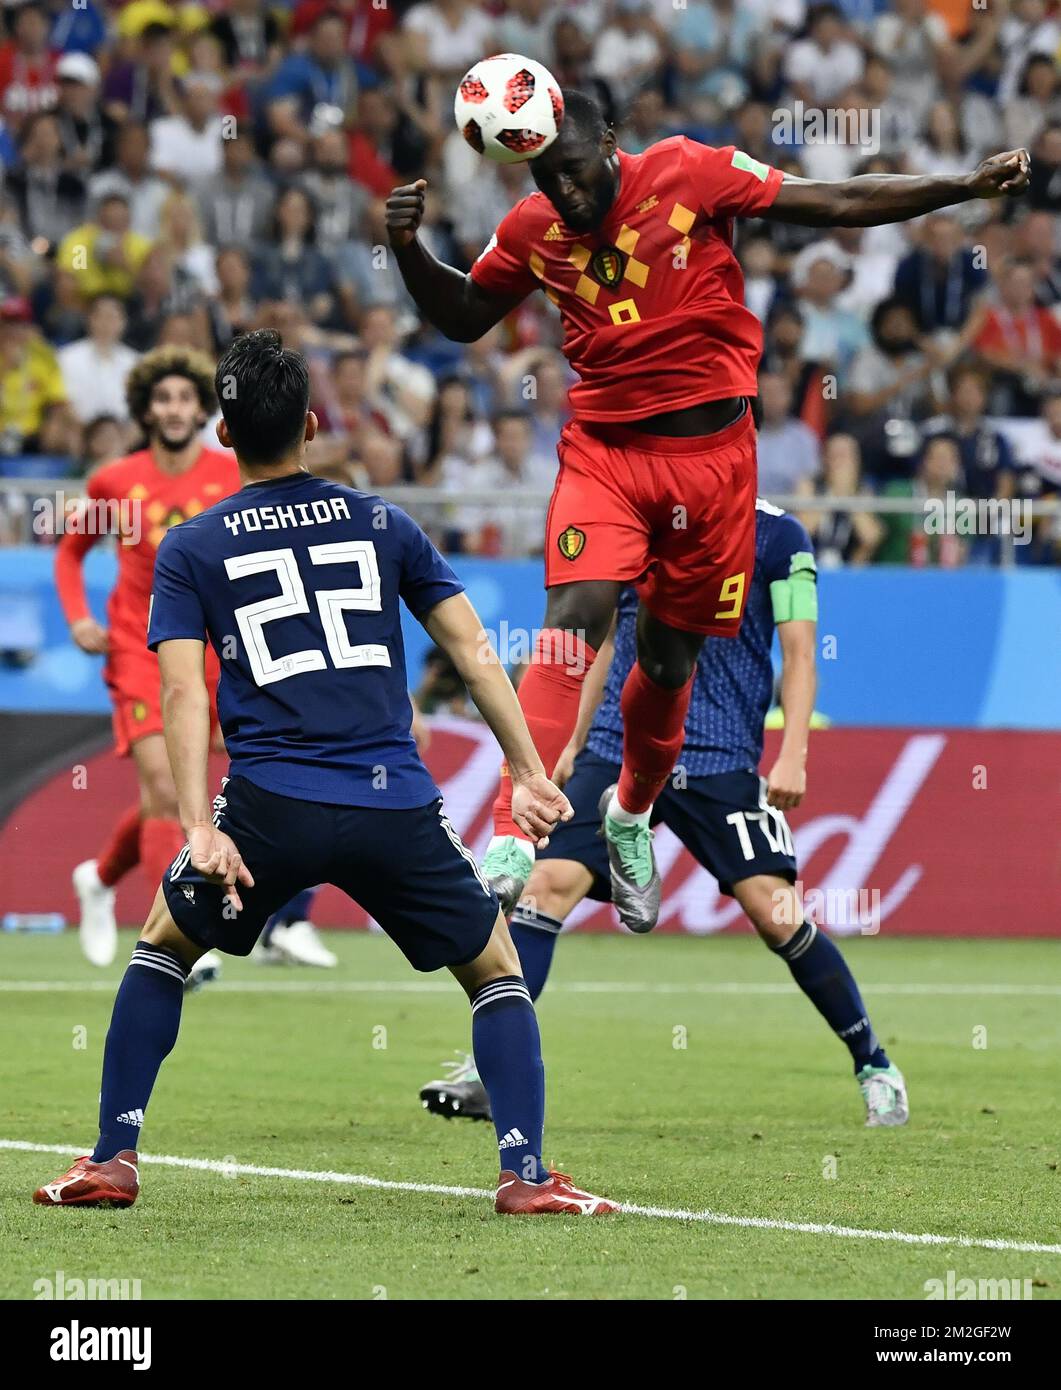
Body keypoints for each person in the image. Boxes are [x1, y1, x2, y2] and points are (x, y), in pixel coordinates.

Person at [385, 88, 1032, 932]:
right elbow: (466, 314)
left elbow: (833, 199)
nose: (565, 193)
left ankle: (628, 815)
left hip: (712, 467)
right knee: (571, 619)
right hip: (605, 455)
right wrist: (406, 249)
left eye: (574, 172)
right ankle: (513, 835)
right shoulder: (532, 229)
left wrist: (963, 186)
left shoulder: (689, 173)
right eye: (546, 177)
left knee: (664, 664)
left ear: (610, 143)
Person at [33, 330, 616, 1218]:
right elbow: (471, 651)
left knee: (160, 948)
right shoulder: (384, 520)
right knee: (495, 970)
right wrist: (528, 769)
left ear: (223, 435)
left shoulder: (191, 547)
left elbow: (184, 691)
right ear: (312, 423)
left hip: (269, 808)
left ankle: (114, 1160)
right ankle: (524, 1175)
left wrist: (198, 826)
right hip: (394, 803)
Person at [420, 501, 909, 1129]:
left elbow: (802, 653)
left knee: (776, 912)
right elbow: (603, 637)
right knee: (546, 884)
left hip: (718, 756)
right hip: (618, 744)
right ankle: (489, 1073)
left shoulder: (780, 536)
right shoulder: (636, 516)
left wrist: (792, 752)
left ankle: (874, 1065)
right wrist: (570, 741)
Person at [54, 346, 239, 967]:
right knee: (165, 787)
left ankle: (100, 879)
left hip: (214, 652)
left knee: (176, 796)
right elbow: (70, 552)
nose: (174, 409)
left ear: (201, 407)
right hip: (140, 648)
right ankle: (189, 931)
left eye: (185, 397)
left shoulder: (230, 475)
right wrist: (78, 615)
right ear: (145, 408)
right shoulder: (114, 480)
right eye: (162, 399)